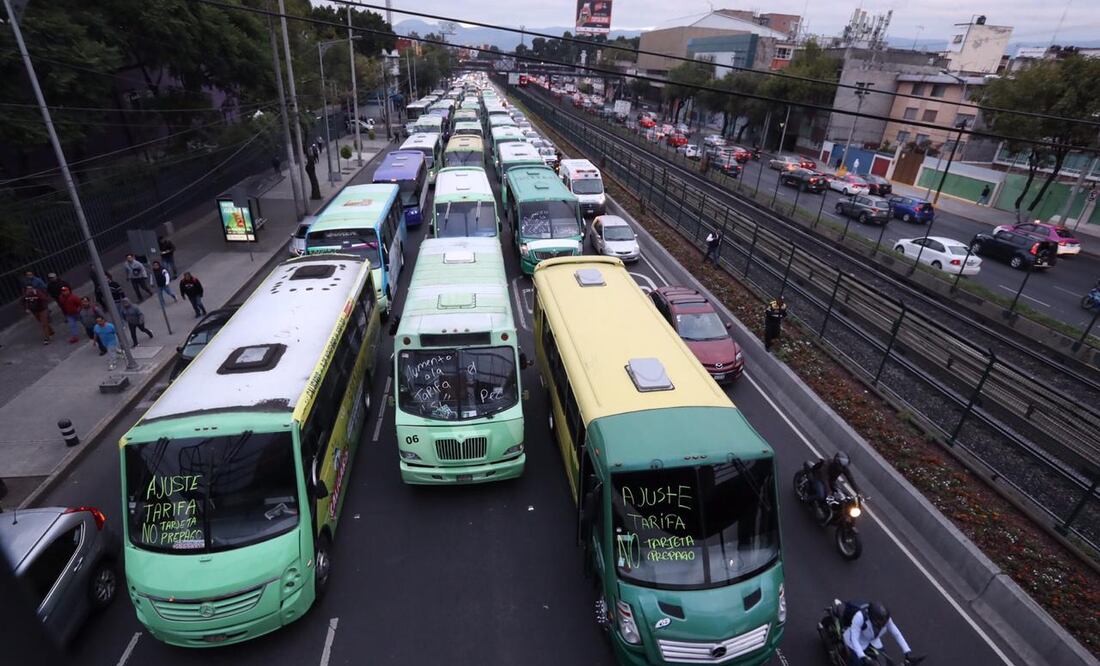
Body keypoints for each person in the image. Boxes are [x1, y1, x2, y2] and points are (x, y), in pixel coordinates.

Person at [843, 602, 912, 666]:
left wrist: (907, 651)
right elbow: (854, 639)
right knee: (858, 663)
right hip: (854, 643)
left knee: (887, 662)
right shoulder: (859, 617)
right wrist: (863, 657)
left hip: (873, 641)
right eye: (879, 622)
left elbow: (896, 634)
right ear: (872, 617)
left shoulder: (884, 619)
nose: (882, 625)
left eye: (884, 623)